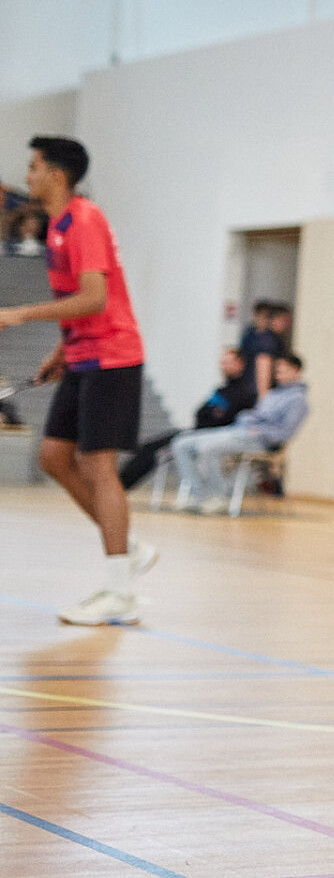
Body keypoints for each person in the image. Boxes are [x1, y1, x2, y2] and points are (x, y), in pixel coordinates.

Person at [0, 136, 157, 626]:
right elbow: (77, 305)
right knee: (53, 456)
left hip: (113, 357)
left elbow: (95, 298)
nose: (27, 177)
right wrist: (60, 351)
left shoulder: (84, 219)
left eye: (33, 167)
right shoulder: (58, 226)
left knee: (96, 465)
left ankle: (120, 591)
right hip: (83, 355)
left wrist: (20, 313)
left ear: (57, 175)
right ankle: (128, 548)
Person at [171, 353, 308, 513]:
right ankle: (198, 495)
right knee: (181, 444)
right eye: (277, 370)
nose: (278, 374)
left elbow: (284, 433)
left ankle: (218, 497)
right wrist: (245, 418)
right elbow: (254, 414)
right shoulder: (273, 394)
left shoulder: (298, 400)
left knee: (206, 448)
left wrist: (259, 431)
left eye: (283, 371)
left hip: (258, 440)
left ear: (296, 371)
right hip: (238, 430)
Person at [120, 346, 258, 491]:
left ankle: (200, 491)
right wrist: (212, 413)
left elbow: (226, 418)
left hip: (214, 434)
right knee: (149, 447)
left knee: (173, 447)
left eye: (229, 362)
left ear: (240, 364)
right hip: (198, 430)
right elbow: (200, 412)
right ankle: (122, 482)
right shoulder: (222, 390)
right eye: (223, 362)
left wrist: (212, 415)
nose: (225, 366)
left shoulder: (246, 392)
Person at [238, 300, 282, 399]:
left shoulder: (268, 339)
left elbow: (264, 366)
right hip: (247, 384)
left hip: (257, 387)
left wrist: (262, 395)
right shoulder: (249, 334)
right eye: (259, 316)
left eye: (265, 317)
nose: (261, 320)